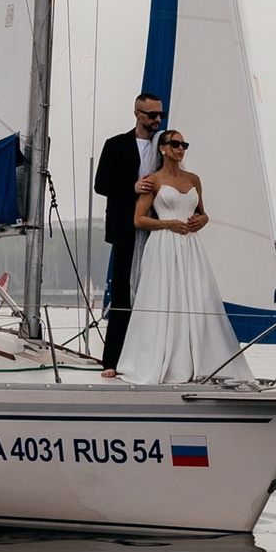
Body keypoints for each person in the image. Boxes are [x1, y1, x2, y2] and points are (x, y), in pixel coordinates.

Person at [116, 130, 244, 386]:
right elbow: (138, 219)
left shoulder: (194, 179)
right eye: (175, 144)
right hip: (164, 244)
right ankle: (164, 361)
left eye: (184, 144)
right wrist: (168, 223)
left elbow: (202, 212)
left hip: (190, 245)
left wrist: (203, 220)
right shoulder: (153, 181)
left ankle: (201, 362)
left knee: (197, 295)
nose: (180, 148)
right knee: (165, 296)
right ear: (162, 148)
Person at [92, 93, 167, 375]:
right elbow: (101, 184)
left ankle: (153, 361)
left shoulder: (165, 145)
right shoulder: (115, 145)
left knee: (155, 293)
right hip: (125, 228)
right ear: (137, 114)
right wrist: (132, 188)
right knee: (122, 294)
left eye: (160, 115)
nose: (157, 120)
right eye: (152, 115)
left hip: (157, 230)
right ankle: (112, 361)